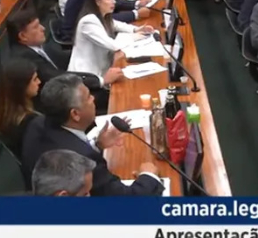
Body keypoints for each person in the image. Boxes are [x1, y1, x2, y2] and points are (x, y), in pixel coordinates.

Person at [21, 74, 164, 196]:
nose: (93, 99)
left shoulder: (37, 124)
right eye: (88, 97)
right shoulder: (82, 159)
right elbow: (126, 200)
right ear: (75, 114)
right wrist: (149, 175)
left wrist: (97, 145)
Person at [7, 9, 114, 109]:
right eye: (36, 27)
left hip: (65, 87)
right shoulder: (25, 58)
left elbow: (63, 57)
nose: (43, 28)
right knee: (108, 95)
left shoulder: (36, 46)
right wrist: (100, 80)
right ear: (23, 36)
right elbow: (57, 77)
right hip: (55, 104)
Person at [68, 0, 153, 79]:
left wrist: (136, 29)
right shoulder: (88, 21)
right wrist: (134, 37)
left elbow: (116, 25)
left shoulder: (103, 16)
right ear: (97, 1)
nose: (114, 2)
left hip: (101, 68)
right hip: (85, 76)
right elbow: (113, 45)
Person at [0, 59, 40, 159]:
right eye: (34, 79)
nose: (39, 82)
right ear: (22, 86)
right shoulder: (30, 121)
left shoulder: (6, 113)